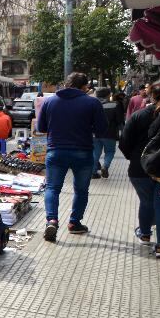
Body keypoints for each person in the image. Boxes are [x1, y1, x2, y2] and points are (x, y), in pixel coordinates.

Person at [37, 72, 108, 242]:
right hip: (83, 152)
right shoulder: (93, 102)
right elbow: (102, 129)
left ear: (66, 84)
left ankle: (52, 220)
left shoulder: (50, 101)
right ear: (85, 87)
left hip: (56, 151)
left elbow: (41, 127)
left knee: (52, 188)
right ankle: (74, 223)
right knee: (81, 190)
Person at [120, 79, 160, 259]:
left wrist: (136, 158)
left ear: (151, 94)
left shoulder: (139, 115)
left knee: (146, 202)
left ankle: (145, 234)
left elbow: (124, 143)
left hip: (140, 169)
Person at [92, 88, 125, 178]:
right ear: (108, 95)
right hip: (110, 133)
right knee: (110, 151)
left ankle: (93, 172)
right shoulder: (115, 105)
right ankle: (105, 166)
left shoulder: (92, 104)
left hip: (95, 133)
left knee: (95, 152)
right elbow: (119, 120)